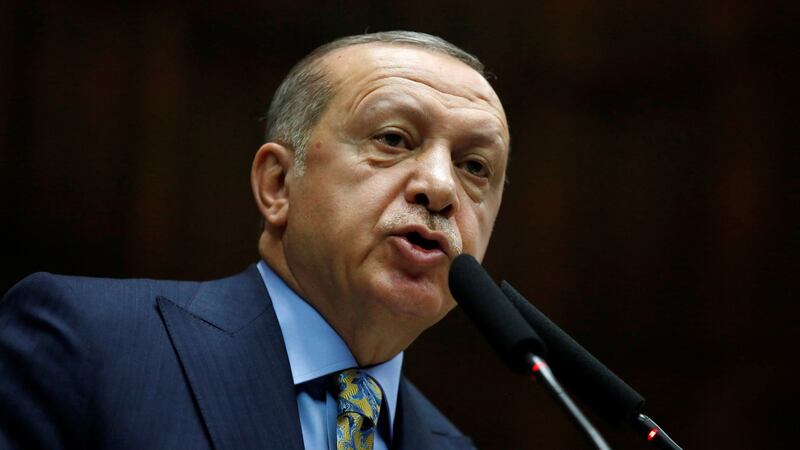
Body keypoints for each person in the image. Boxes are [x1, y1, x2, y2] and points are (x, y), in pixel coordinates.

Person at [0, 31, 509, 450]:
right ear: (277, 184)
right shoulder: (85, 340)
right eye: (393, 139)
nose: (441, 188)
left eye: (474, 166)